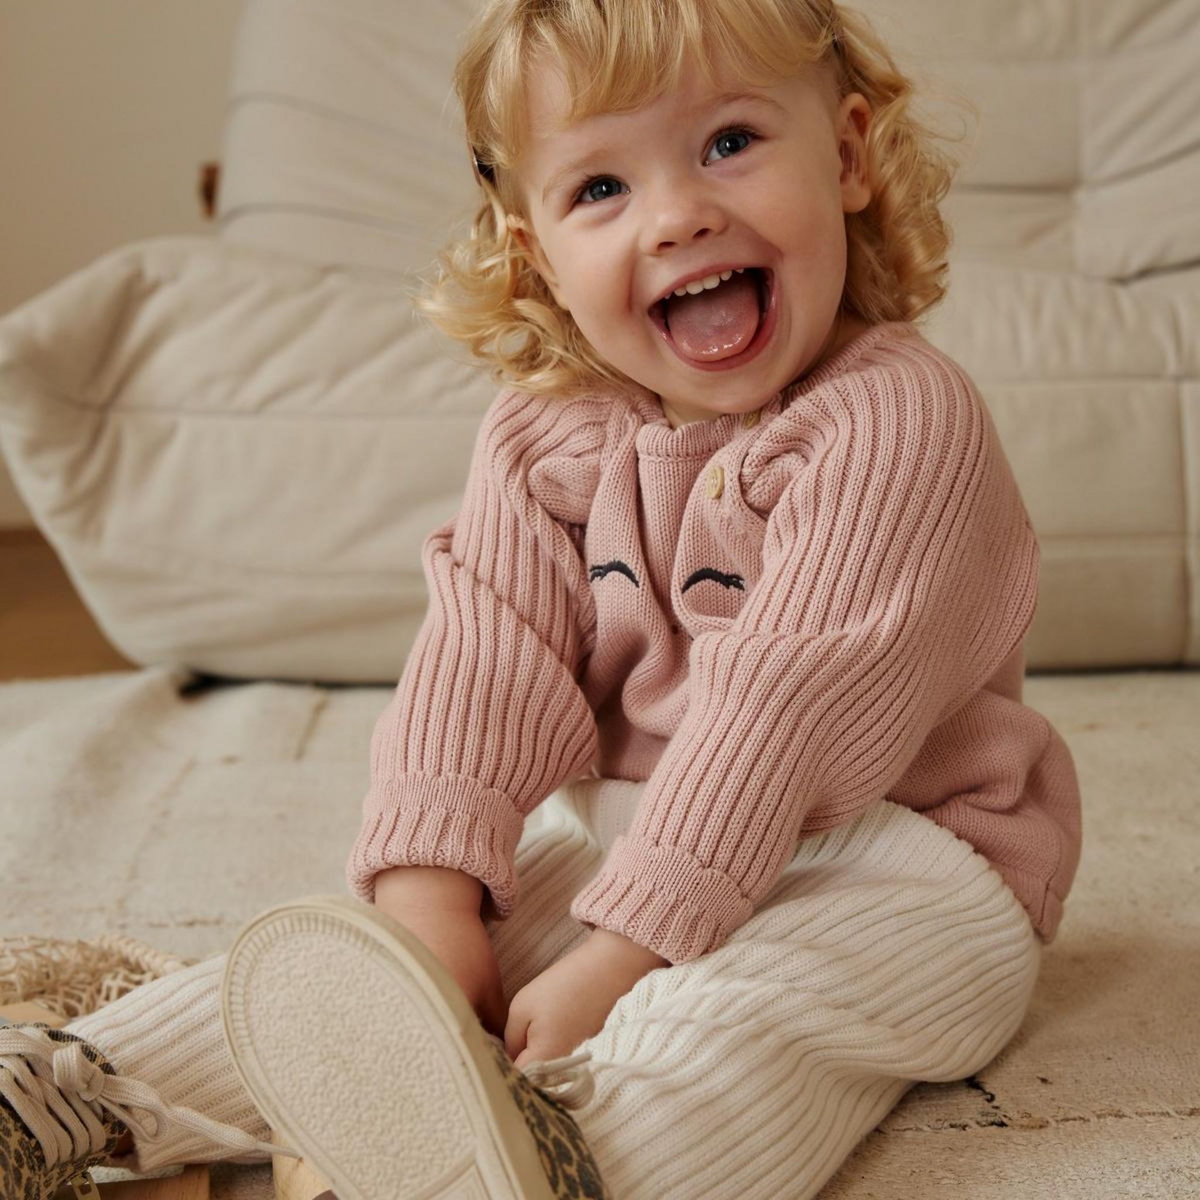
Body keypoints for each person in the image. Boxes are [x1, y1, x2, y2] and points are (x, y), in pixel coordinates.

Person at [0, 1, 1083, 1197]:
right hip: (638, 834)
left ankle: (558, 1160)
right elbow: (484, 655)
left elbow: (783, 714)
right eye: (601, 188)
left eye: (729, 143)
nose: (678, 215)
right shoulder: (546, 436)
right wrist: (430, 898)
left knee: (729, 1030)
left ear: (847, 155)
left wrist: (621, 959)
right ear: (537, 257)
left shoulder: (898, 421)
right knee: (354, 973)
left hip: (908, 866)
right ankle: (68, 1090)